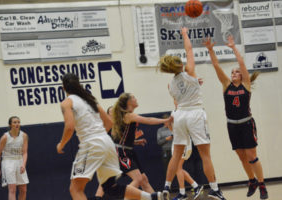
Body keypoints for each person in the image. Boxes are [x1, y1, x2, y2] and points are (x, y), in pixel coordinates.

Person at [56, 73, 167, 200]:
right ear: (78, 85)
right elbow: (109, 123)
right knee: (111, 188)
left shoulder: (67, 103)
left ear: (64, 88)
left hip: (91, 144)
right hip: (107, 143)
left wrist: (61, 144)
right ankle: (152, 197)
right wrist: (99, 136)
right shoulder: (90, 100)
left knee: (75, 189)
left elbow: (69, 127)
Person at [158, 27, 226, 200]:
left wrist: (196, 84)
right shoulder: (189, 71)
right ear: (179, 64)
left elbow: (183, 92)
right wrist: (185, 34)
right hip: (194, 113)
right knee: (205, 154)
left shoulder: (170, 85)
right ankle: (215, 189)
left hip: (179, 115)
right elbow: (189, 49)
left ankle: (167, 186)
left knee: (176, 154)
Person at [203, 35, 268, 199]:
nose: (234, 73)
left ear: (242, 75)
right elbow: (216, 66)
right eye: (232, 72)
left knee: (252, 156)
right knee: (241, 157)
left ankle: (262, 184)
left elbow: (242, 64)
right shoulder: (226, 85)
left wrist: (233, 48)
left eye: (236, 72)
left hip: (247, 123)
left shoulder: (246, 84)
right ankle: (251, 180)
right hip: (232, 125)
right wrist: (211, 50)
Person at [112, 92, 172, 194]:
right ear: (129, 102)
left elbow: (122, 138)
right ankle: (124, 196)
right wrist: (166, 119)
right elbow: (148, 119)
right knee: (138, 179)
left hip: (128, 150)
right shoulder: (128, 115)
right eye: (134, 97)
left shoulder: (127, 116)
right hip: (122, 152)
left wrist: (135, 141)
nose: (136, 99)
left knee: (144, 180)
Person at [0, 116, 29, 200]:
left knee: (23, 189)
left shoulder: (24, 136)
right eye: (14, 122)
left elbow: (24, 152)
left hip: (19, 161)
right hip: (8, 162)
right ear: (10, 125)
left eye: (18, 122)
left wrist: (23, 165)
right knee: (12, 189)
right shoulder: (5, 137)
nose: (17, 124)